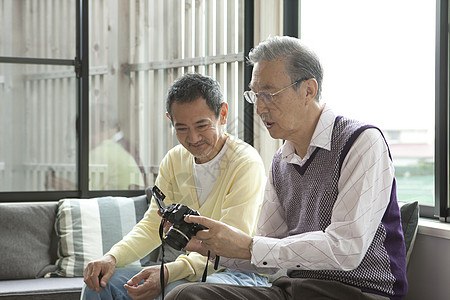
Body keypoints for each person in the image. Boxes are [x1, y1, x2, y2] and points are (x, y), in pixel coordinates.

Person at [165, 36, 408, 300]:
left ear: (308, 91)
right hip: (293, 290)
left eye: (269, 95)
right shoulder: (281, 161)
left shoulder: (361, 142)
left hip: (358, 292)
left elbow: (346, 248)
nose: (259, 108)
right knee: (187, 295)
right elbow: (266, 255)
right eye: (255, 96)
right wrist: (210, 247)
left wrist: (249, 245)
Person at [81, 73, 268, 300]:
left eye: (202, 125)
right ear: (170, 120)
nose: (193, 138)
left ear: (223, 114)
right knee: (99, 283)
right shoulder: (174, 160)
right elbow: (153, 225)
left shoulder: (245, 163)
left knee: (178, 292)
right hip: (189, 271)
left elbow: (226, 247)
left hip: (239, 272)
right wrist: (111, 258)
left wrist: (168, 272)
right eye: (182, 129)